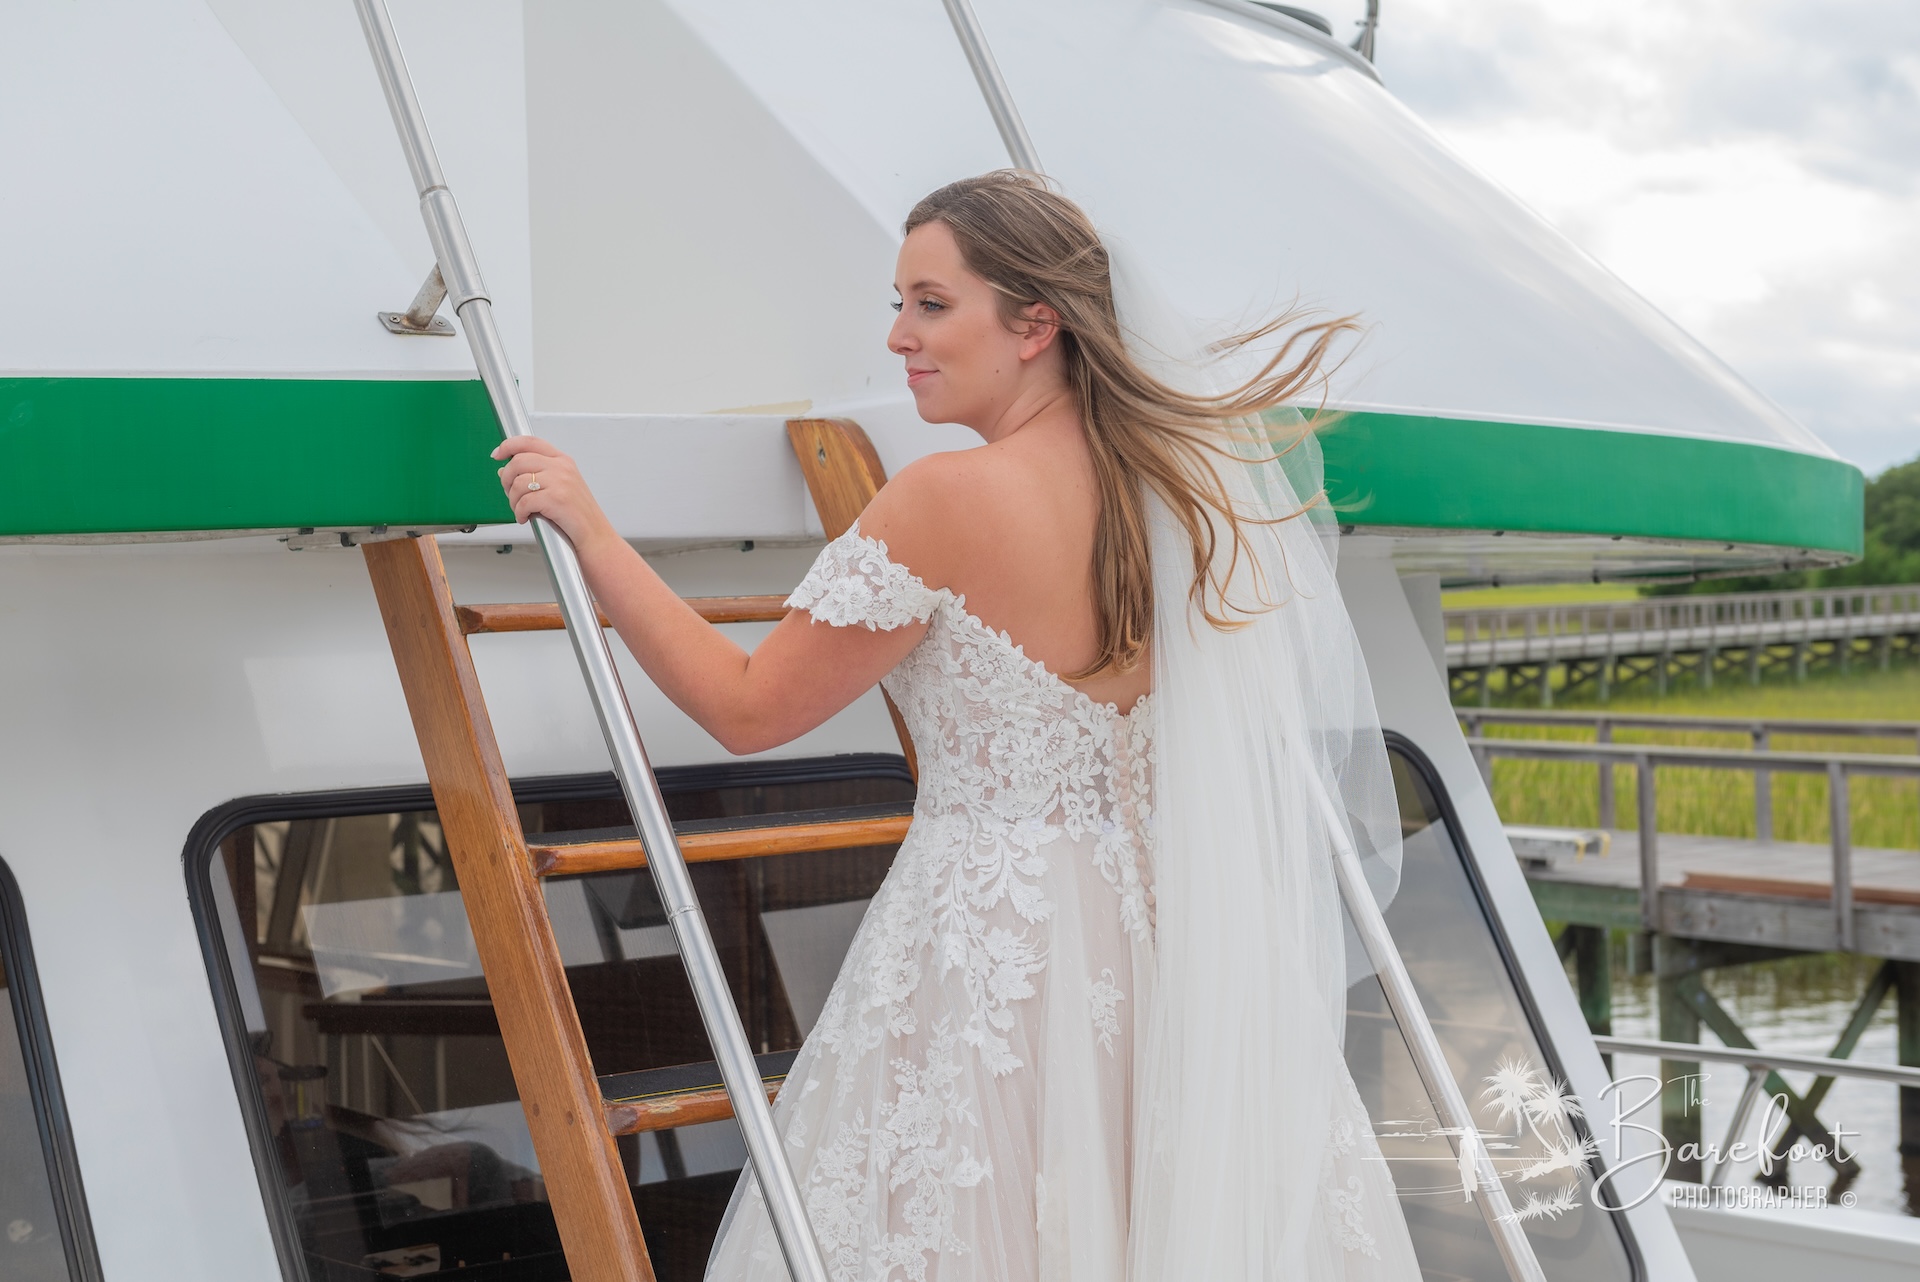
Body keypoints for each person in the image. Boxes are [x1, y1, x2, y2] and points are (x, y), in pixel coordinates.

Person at [494, 171, 1421, 1281]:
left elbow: (747, 707)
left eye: (931, 304)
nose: (897, 335)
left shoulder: (947, 499)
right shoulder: (1178, 493)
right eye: (899, 304)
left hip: (996, 955)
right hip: (1174, 940)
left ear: (1036, 324)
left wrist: (592, 532)